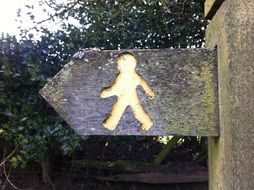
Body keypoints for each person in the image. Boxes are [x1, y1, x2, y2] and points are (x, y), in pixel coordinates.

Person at [100, 52, 155, 131]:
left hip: (124, 96)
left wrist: (105, 93)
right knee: (137, 109)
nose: (117, 66)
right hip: (132, 96)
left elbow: (115, 89)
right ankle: (147, 122)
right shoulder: (135, 75)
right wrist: (150, 92)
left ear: (126, 66)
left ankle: (110, 124)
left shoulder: (121, 77)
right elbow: (143, 83)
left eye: (119, 65)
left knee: (117, 110)